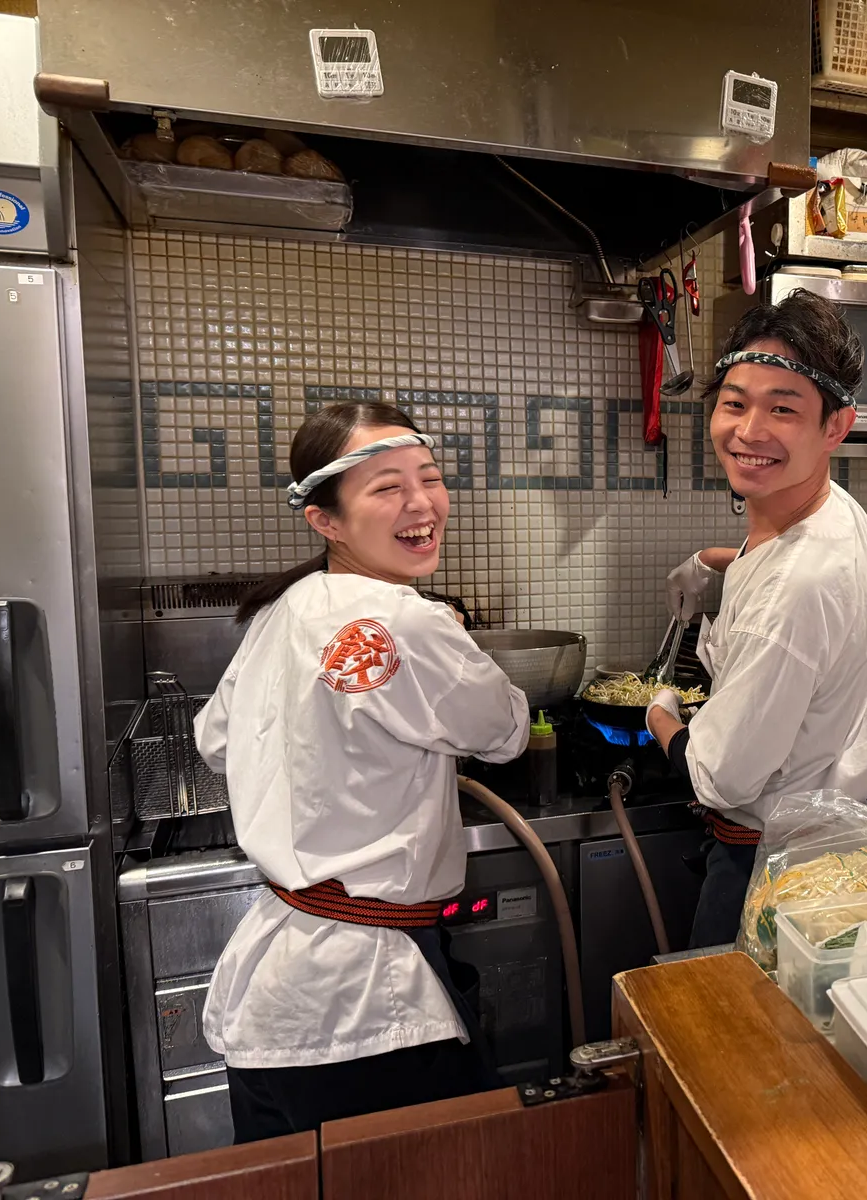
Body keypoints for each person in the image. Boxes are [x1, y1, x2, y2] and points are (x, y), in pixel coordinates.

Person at [194, 401, 530, 1141]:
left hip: (277, 998)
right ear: (327, 520)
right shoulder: (408, 620)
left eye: (429, 478)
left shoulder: (283, 609)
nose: (421, 504)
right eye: (386, 487)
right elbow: (505, 732)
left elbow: (215, 740)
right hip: (371, 1008)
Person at [648, 291, 867, 947]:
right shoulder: (830, 511)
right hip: (824, 851)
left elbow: (722, 776)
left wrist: (662, 717)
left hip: (767, 874)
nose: (749, 430)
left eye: (783, 409)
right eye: (735, 402)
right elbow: (782, 562)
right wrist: (722, 562)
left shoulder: (799, 582)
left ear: (835, 427)